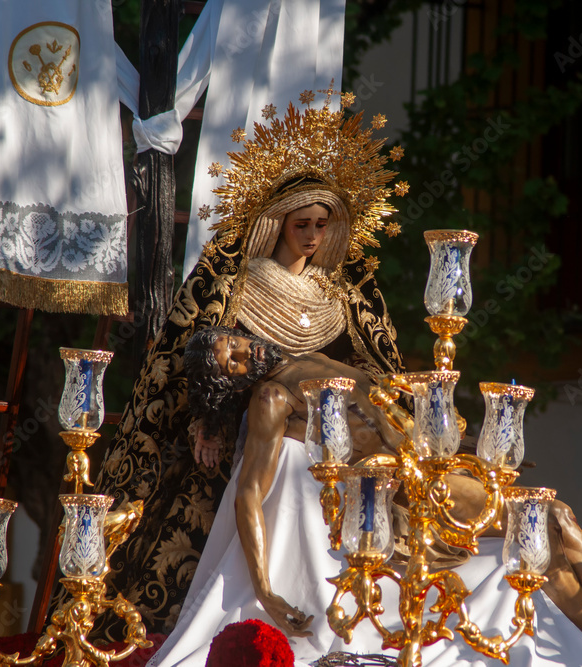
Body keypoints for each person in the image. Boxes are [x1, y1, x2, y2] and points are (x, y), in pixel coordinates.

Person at [147, 327, 582, 667]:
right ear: (234, 386)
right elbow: (250, 495)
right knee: (547, 521)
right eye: (233, 364)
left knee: (554, 519)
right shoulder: (271, 398)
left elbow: (399, 418)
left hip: (428, 469)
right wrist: (267, 591)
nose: (245, 354)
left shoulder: (321, 359)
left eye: (236, 344)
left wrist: (465, 444)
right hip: (396, 502)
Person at [91, 91, 406, 639]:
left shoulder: (345, 295)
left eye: (322, 224)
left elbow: (379, 372)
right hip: (249, 437)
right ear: (279, 223)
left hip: (329, 447)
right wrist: (206, 419)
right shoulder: (236, 281)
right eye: (301, 222)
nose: (312, 234)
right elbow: (193, 356)